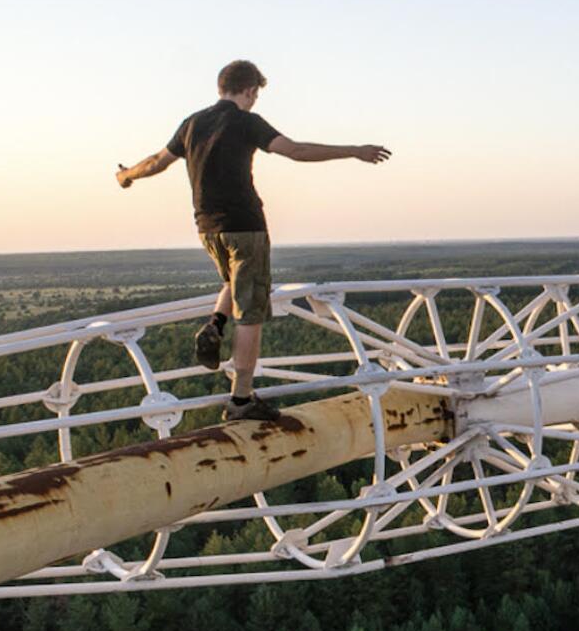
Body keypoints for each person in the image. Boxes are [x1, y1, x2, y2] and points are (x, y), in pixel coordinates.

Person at [115, 60, 390, 422]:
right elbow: (296, 151)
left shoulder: (192, 123)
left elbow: (156, 162)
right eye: (255, 94)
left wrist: (126, 175)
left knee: (233, 281)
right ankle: (242, 400)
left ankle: (214, 324)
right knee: (251, 312)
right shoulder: (246, 122)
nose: (255, 100)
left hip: (207, 227)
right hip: (245, 224)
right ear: (248, 90)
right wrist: (353, 150)